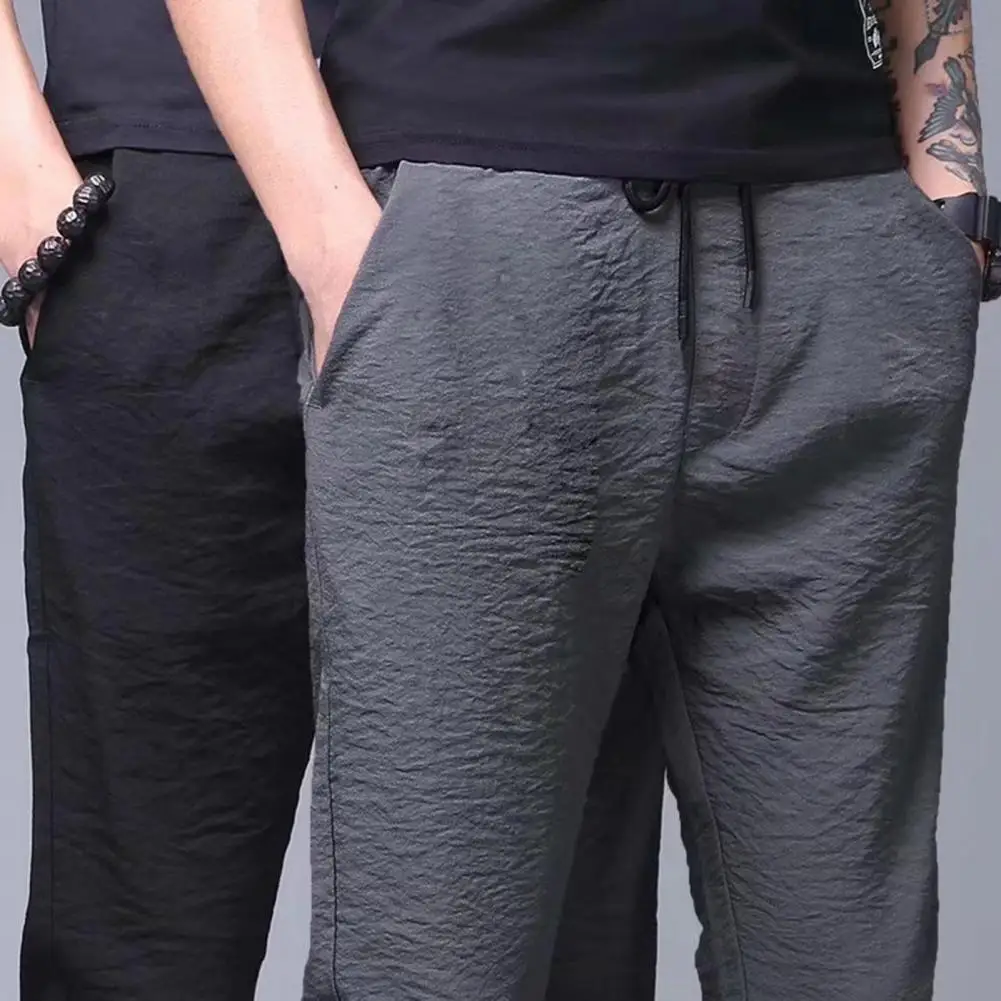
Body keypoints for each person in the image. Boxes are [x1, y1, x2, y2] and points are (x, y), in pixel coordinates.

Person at [166, 0, 997, 998]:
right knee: (432, 958)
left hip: (836, 246)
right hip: (483, 250)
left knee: (846, 963)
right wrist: (335, 243)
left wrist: (949, 180)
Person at [0, 1, 338, 997]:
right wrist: (22, 187)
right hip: (177, 203)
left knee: (509, 918)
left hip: (519, 181)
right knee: (145, 939)